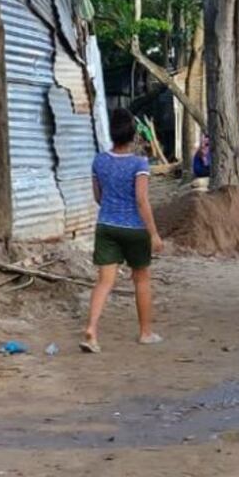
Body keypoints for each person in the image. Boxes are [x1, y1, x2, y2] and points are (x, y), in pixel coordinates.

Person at [81, 109, 164, 353]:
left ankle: (92, 331)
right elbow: (141, 200)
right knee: (141, 280)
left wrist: (111, 210)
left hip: (106, 226)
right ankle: (145, 333)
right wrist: (153, 233)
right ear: (133, 135)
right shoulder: (139, 163)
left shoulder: (99, 160)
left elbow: (98, 196)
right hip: (134, 229)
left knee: (104, 282)